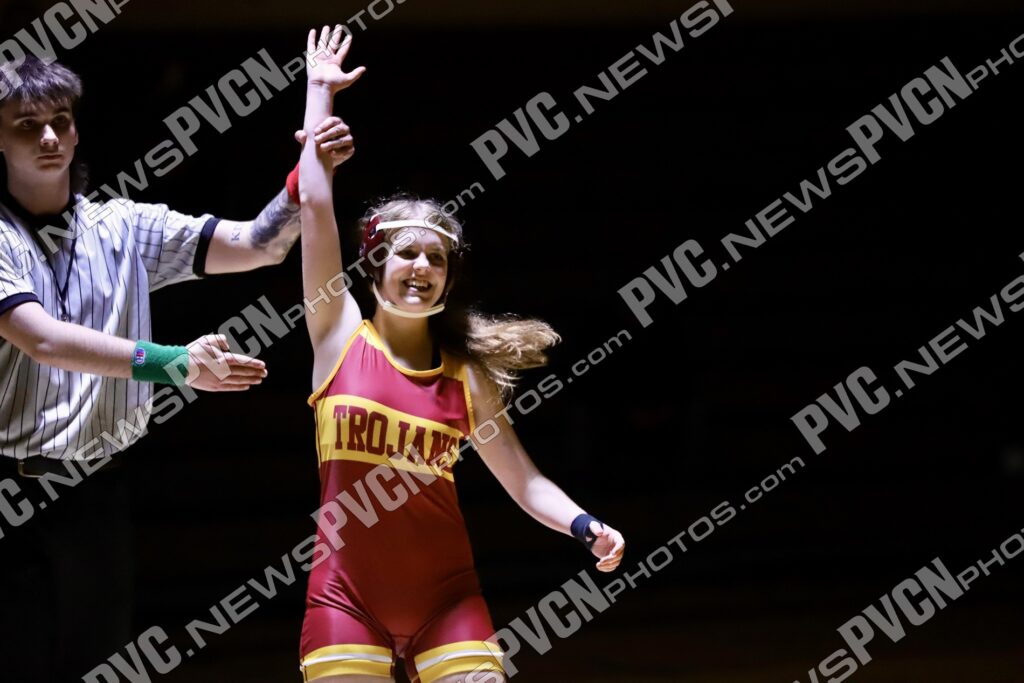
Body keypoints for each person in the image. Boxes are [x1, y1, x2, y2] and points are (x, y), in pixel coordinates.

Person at [0, 55, 354, 681]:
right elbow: (43, 340)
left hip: (98, 493)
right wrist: (176, 364)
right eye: (27, 124)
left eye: (60, 120)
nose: (49, 136)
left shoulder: (124, 226)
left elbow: (260, 244)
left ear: (77, 132)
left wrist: (310, 172)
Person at [296, 27, 626, 683]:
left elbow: (524, 481)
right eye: (406, 253)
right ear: (374, 265)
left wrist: (584, 524)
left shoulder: (465, 376)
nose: (421, 265)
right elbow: (313, 203)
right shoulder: (337, 333)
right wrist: (319, 94)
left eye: (436, 257)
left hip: (449, 602)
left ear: (449, 278)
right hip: (344, 600)